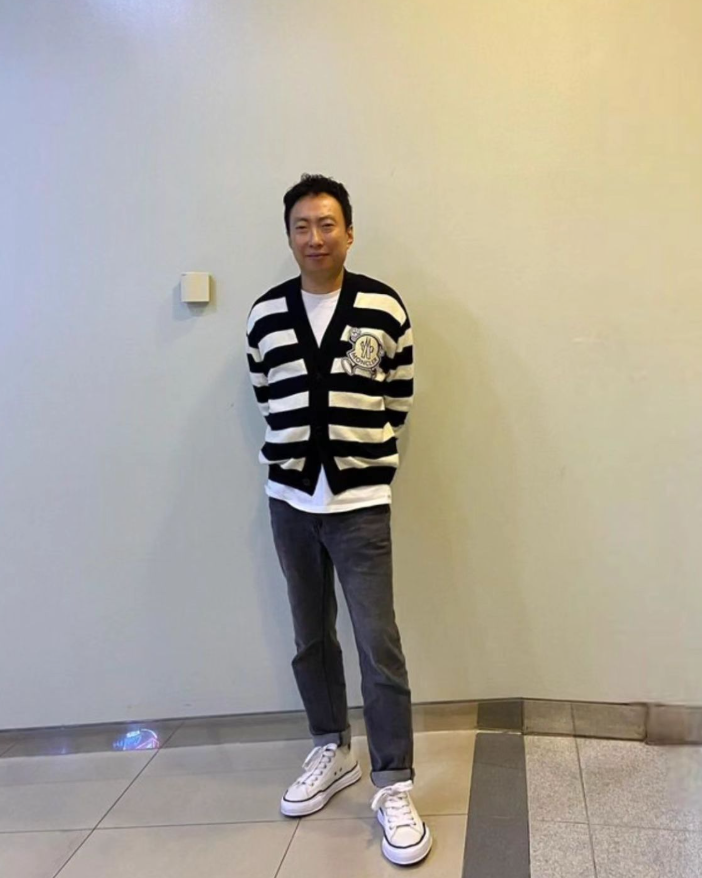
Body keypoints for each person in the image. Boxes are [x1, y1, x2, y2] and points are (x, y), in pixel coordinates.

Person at [245, 174, 431, 866]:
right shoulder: (266, 315)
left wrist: (360, 459)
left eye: (327, 224)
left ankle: (394, 783)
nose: (314, 237)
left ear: (349, 232)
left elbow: (398, 399)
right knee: (310, 639)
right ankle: (331, 747)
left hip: (360, 505)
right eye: (302, 226)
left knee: (379, 645)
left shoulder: (383, 307)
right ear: (289, 236)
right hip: (291, 502)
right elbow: (267, 395)